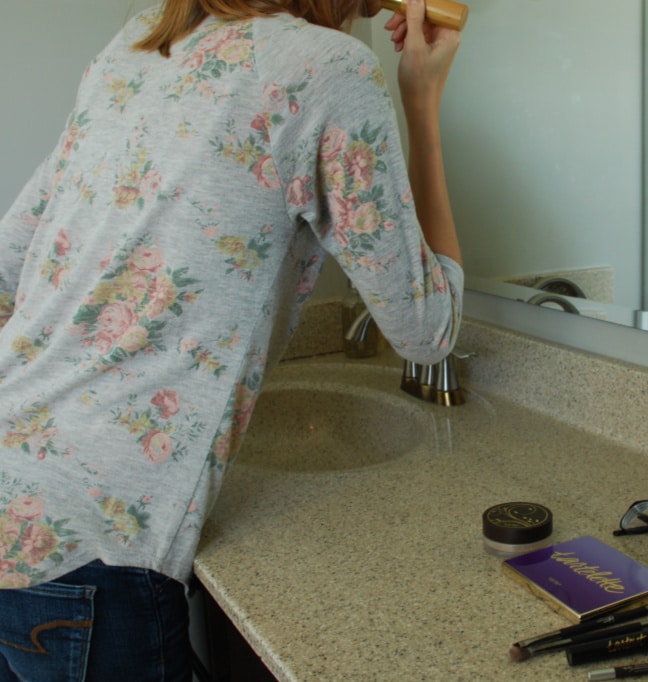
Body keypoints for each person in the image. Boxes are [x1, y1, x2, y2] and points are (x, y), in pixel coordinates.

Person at [0, 0, 462, 678]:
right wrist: (421, 103)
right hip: (98, 551)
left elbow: (9, 267)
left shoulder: (139, 42)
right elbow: (428, 329)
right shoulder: (330, 68)